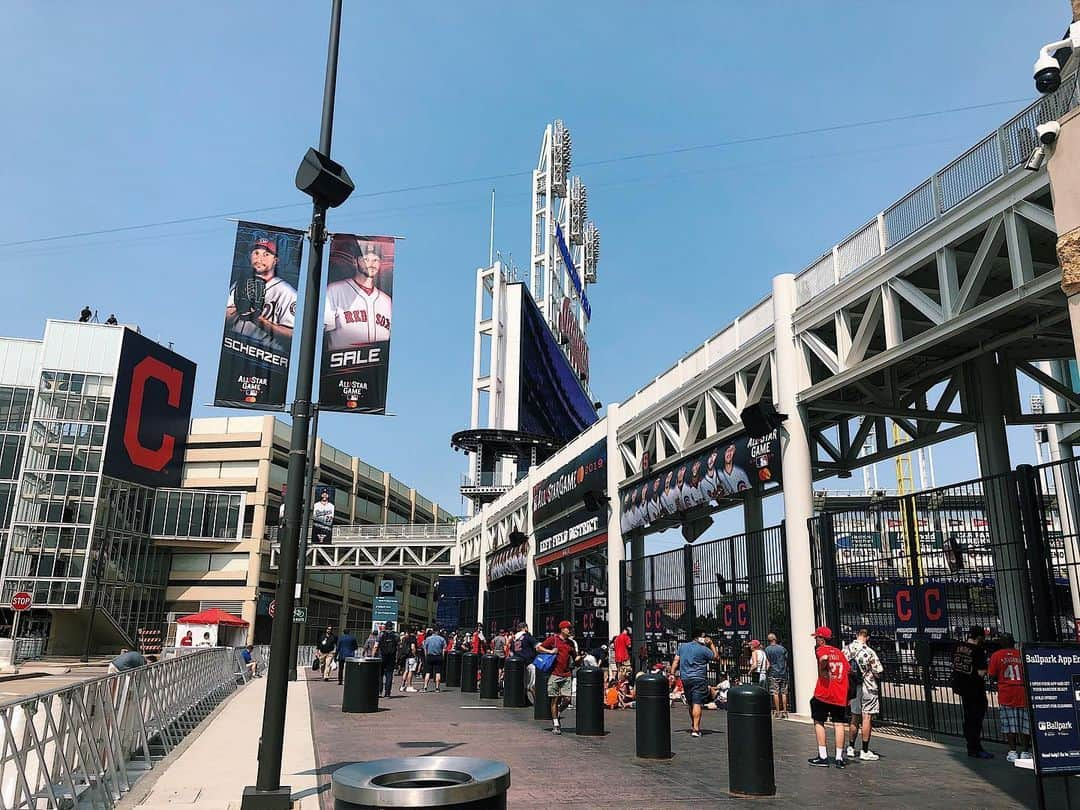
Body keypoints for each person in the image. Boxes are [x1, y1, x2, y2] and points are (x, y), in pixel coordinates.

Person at [225, 234, 297, 353]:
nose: (260, 258)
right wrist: (239, 309)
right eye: (256, 253)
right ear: (250, 256)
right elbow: (225, 319)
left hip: (267, 356)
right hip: (234, 350)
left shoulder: (286, 292)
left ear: (276, 260)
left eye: (266, 254)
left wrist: (258, 320)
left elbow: (290, 336)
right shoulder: (240, 283)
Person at [324, 239, 393, 350]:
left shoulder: (387, 301)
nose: (371, 264)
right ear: (355, 262)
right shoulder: (335, 290)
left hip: (377, 364)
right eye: (366, 259)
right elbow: (324, 332)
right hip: (341, 362)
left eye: (375, 260)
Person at [808, 626, 851, 769]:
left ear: (821, 639)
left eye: (817, 637)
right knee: (839, 724)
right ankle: (839, 757)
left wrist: (824, 662)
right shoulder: (839, 652)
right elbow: (847, 670)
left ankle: (823, 755)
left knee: (819, 721)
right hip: (839, 694)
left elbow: (823, 660)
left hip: (824, 693)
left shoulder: (821, 650)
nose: (815, 639)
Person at [988, 633, 1030, 764]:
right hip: (1022, 691)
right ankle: (1025, 751)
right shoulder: (1021, 654)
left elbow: (992, 675)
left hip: (1006, 692)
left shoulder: (997, 655)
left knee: (1009, 725)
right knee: (1025, 724)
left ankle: (1012, 751)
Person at [843, 628, 885, 761]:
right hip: (868, 686)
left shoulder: (847, 649)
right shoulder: (869, 652)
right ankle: (865, 750)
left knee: (855, 716)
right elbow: (878, 671)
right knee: (867, 717)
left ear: (856, 635)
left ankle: (850, 747)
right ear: (867, 637)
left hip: (854, 687)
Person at [952, 626, 992, 759]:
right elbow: (981, 672)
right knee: (976, 718)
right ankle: (975, 747)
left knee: (968, 717)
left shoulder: (958, 647)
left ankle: (971, 745)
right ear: (979, 637)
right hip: (975, 688)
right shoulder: (978, 650)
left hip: (962, 687)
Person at [672, 627, 718, 738]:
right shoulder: (703, 649)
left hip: (686, 678)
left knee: (691, 702)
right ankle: (696, 729)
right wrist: (711, 644)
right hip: (699, 678)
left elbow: (676, 660)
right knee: (697, 703)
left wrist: (672, 673)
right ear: (700, 637)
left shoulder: (683, 647)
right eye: (704, 636)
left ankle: (693, 724)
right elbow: (716, 657)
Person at [536, 620, 579, 735]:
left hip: (567, 674)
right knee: (554, 699)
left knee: (567, 699)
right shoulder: (553, 639)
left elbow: (575, 658)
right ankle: (556, 724)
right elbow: (538, 648)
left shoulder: (570, 643)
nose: (569, 630)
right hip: (555, 674)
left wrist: (581, 658)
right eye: (568, 628)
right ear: (562, 629)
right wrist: (550, 651)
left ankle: (559, 711)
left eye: (570, 628)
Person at [765, 633, 790, 719]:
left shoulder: (767, 650)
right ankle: (785, 711)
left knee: (775, 693)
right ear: (775, 639)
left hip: (773, 673)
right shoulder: (782, 648)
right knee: (784, 693)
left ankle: (778, 711)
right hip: (783, 673)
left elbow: (768, 662)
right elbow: (786, 660)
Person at [513, 621, 537, 704]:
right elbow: (536, 645)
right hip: (529, 661)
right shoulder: (527, 636)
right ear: (525, 628)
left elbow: (512, 650)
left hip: (519, 663)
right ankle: (538, 703)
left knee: (524, 682)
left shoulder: (515, 638)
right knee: (532, 684)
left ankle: (525, 700)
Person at [373, 620, 399, 698]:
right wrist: (397, 658)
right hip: (392, 656)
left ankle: (379, 692)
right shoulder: (396, 635)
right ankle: (387, 693)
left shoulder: (381, 634)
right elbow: (398, 647)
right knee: (389, 674)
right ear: (392, 626)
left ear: (385, 626)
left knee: (380, 674)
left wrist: (373, 656)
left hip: (382, 656)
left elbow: (376, 646)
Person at [422, 628, 447, 692]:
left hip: (429, 656)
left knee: (428, 672)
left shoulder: (428, 639)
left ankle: (425, 687)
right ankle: (437, 688)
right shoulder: (442, 639)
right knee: (438, 672)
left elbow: (425, 648)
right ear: (438, 632)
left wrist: (426, 656)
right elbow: (444, 649)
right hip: (438, 656)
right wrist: (442, 657)